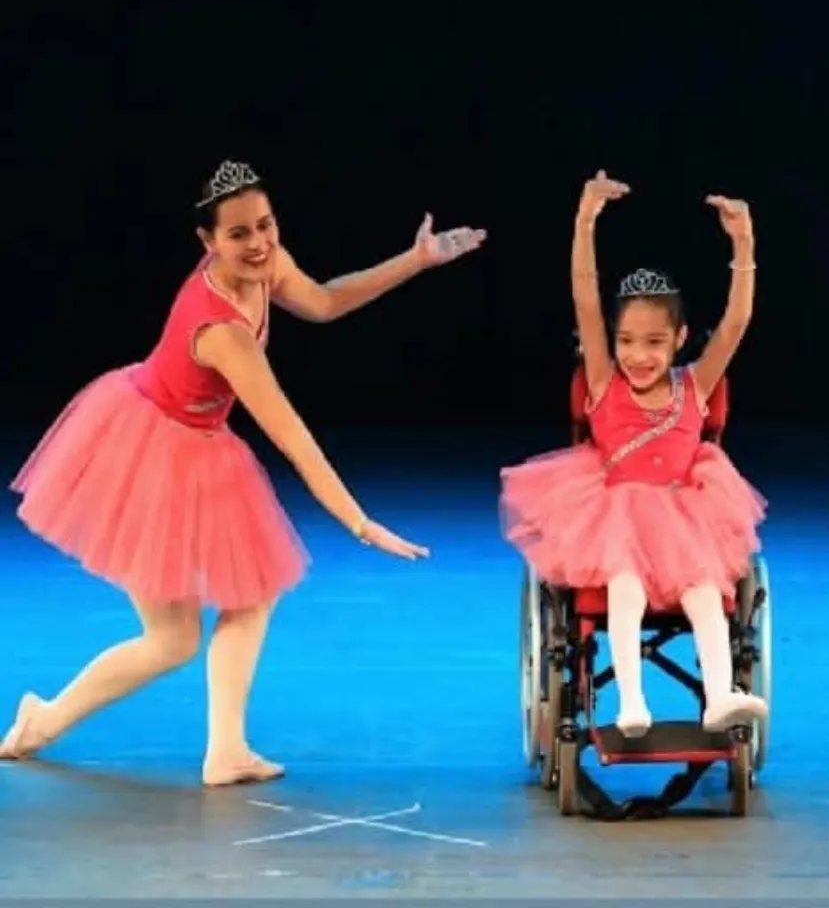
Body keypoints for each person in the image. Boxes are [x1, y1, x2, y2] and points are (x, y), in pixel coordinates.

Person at [0, 159, 485, 784]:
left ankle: (220, 748)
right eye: (238, 234)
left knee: (243, 600)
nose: (259, 243)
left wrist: (414, 260)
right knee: (172, 640)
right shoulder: (222, 332)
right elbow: (293, 438)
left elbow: (324, 300)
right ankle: (42, 722)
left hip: (196, 441)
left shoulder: (265, 263)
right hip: (151, 450)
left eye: (266, 225)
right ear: (207, 242)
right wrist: (360, 524)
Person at [500, 171, 769, 737]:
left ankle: (721, 696)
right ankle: (630, 703)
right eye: (625, 341)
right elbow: (584, 297)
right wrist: (585, 221)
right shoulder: (603, 381)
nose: (638, 356)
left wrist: (743, 244)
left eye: (653, 343)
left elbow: (737, 323)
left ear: (680, 339)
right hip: (615, 514)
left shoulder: (694, 385)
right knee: (625, 588)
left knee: (703, 589)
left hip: (683, 515)